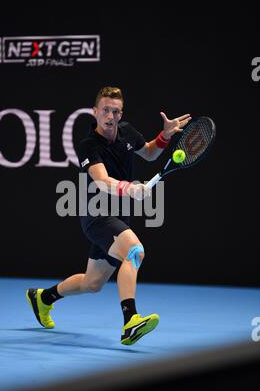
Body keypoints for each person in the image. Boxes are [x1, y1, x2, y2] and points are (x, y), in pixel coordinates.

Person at [26, 87, 191, 345]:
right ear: (95, 112)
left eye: (115, 111)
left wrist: (164, 137)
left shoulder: (127, 131)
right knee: (135, 252)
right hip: (97, 215)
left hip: (119, 217)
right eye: (105, 110)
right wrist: (130, 188)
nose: (110, 116)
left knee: (92, 283)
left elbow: (148, 152)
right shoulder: (88, 145)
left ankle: (43, 298)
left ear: (121, 113)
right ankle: (130, 322)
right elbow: (102, 181)